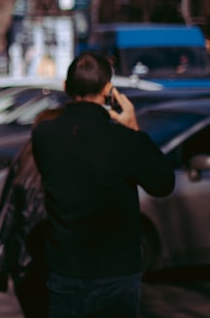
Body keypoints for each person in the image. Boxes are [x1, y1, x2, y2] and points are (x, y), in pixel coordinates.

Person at [31, 52, 175, 318]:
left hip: (66, 267)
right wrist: (134, 129)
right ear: (108, 90)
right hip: (116, 270)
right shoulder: (122, 140)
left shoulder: (44, 135)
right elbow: (163, 183)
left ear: (66, 87)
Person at [0, 108, 62, 318]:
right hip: (51, 262)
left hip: (22, 261)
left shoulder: (24, 158)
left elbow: (7, 210)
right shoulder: (61, 162)